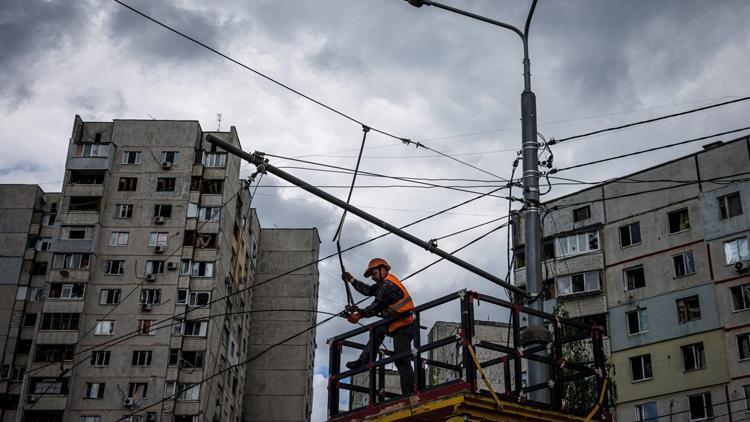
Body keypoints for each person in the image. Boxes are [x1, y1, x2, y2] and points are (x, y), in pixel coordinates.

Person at [342, 258, 416, 396]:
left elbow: (376, 305)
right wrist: (352, 280)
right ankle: (364, 361)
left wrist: (359, 315)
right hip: (395, 323)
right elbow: (368, 290)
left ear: (384, 270)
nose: (373, 277)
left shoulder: (389, 285)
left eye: (374, 273)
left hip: (405, 326)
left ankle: (410, 394)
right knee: (376, 330)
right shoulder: (383, 283)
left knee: (401, 360)